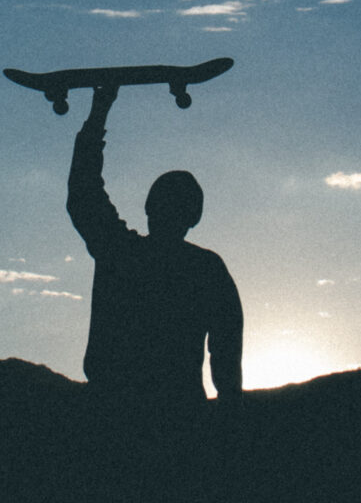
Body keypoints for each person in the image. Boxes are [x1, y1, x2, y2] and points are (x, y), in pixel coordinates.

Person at [66, 84, 243, 408]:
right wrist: (230, 407)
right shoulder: (205, 268)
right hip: (177, 412)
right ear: (194, 217)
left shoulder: (120, 252)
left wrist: (98, 113)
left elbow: (84, 192)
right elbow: (226, 351)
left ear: (149, 207)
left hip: (112, 409)